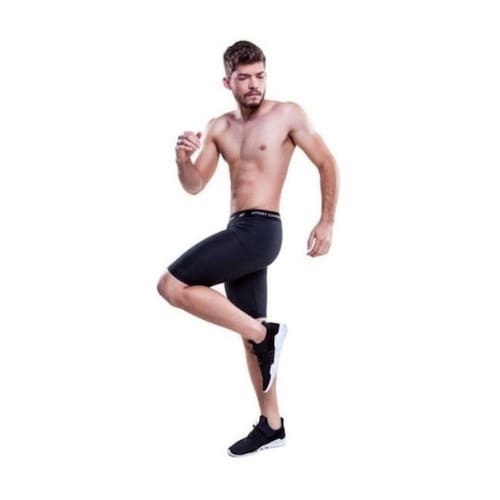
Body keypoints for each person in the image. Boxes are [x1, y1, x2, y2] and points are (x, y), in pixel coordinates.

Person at [156, 40, 340, 457]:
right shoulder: (219, 127)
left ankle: (265, 334)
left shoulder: (287, 114)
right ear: (228, 82)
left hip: (262, 230)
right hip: (237, 227)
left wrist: (326, 220)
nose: (254, 84)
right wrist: (183, 161)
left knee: (170, 285)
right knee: (249, 331)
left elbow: (326, 162)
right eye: (244, 78)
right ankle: (271, 424)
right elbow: (195, 185)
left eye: (260, 75)